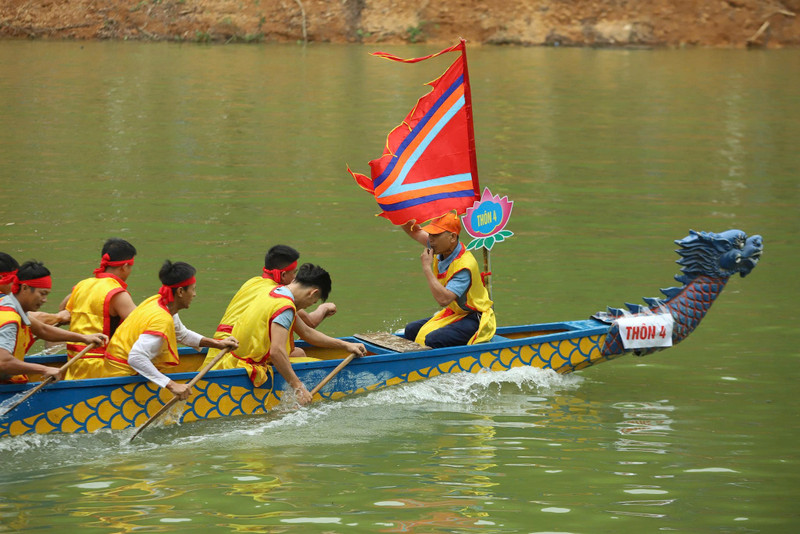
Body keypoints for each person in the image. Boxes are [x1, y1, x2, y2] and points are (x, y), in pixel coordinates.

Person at [68, 260, 238, 399]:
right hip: (120, 379)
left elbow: (182, 334)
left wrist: (218, 344)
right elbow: (136, 358)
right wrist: (172, 385)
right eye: (193, 289)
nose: (194, 294)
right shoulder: (161, 318)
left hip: (114, 368)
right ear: (180, 291)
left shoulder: (159, 302)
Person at [211, 263, 367, 405]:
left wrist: (345, 345)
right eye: (313, 302)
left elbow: (306, 332)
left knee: (299, 353)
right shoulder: (285, 307)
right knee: (312, 363)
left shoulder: (274, 292)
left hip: (232, 361)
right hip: (248, 371)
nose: (309, 306)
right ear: (313, 293)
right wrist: (299, 388)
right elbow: (277, 352)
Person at [203, 245, 336, 366]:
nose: (296, 278)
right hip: (237, 352)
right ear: (283, 275)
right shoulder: (278, 297)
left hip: (219, 347)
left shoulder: (252, 282)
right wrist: (323, 308)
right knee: (298, 354)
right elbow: (308, 325)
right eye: (294, 273)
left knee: (297, 352)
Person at [400, 211, 496, 348]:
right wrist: (395, 211)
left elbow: (443, 300)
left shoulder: (464, 266)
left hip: (475, 318)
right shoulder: (440, 246)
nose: (430, 239)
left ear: (452, 237)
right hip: (455, 313)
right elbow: (415, 231)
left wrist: (426, 267)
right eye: (430, 234)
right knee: (411, 330)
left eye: (435, 235)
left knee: (433, 339)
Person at [0, 261, 107, 384]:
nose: (44, 300)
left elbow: (43, 330)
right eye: (42, 294)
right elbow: (3, 362)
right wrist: (44, 369)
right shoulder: (10, 319)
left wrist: (84, 338)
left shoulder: (8, 303)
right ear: (25, 288)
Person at [54, 239, 137, 377]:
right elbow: (140, 326)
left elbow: (63, 309)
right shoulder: (118, 294)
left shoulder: (82, 285)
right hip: (101, 368)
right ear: (125, 266)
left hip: (74, 363)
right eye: (130, 267)